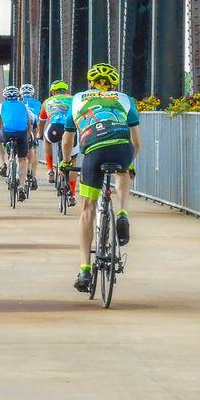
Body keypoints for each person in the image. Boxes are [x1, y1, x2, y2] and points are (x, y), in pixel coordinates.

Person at [65, 63, 141, 292]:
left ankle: (85, 269)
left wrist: (67, 162)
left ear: (90, 83)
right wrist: (129, 163)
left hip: (94, 149)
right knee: (123, 171)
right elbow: (136, 142)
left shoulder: (77, 99)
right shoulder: (125, 99)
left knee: (88, 207)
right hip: (121, 146)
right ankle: (123, 212)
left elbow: (68, 141)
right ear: (113, 85)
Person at [39, 80, 75, 204]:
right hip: (70, 131)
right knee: (73, 159)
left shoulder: (47, 101)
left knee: (46, 140)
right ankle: (72, 194)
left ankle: (50, 170)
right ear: (66, 91)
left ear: (53, 91)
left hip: (55, 129)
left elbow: (42, 121)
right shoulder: (73, 99)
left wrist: (39, 134)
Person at [0, 85, 33, 201]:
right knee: (22, 160)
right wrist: (27, 138)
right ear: (18, 96)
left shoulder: (1, 106)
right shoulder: (24, 106)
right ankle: (21, 186)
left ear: (5, 97)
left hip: (7, 133)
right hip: (22, 134)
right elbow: (29, 124)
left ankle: (3, 164)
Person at [20, 83, 43, 190]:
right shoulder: (38, 103)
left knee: (19, 154)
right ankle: (32, 175)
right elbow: (42, 118)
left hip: (20, 129)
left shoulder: (19, 102)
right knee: (33, 148)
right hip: (34, 128)